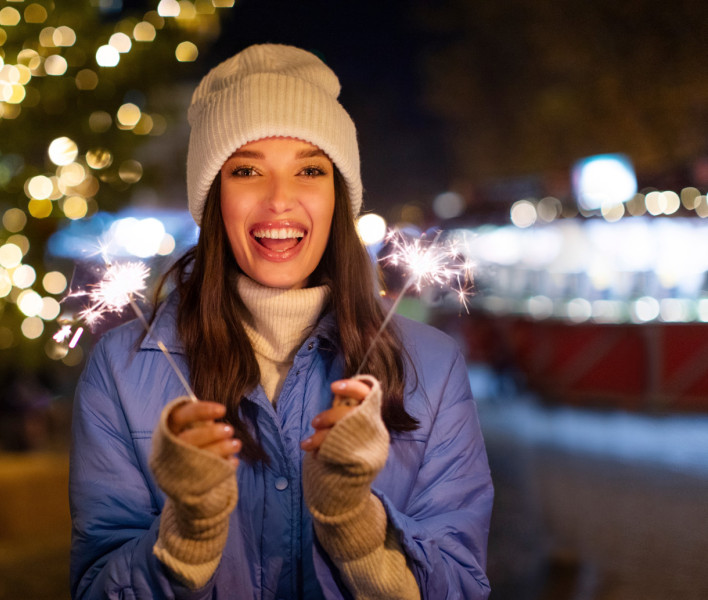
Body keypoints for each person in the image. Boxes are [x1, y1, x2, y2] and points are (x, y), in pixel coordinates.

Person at [69, 44, 493, 599]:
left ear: (338, 196)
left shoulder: (431, 368)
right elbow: (95, 587)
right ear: (213, 197)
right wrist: (186, 538)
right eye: (247, 171)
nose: (279, 201)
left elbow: (462, 585)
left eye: (310, 170)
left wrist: (357, 527)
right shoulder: (122, 369)